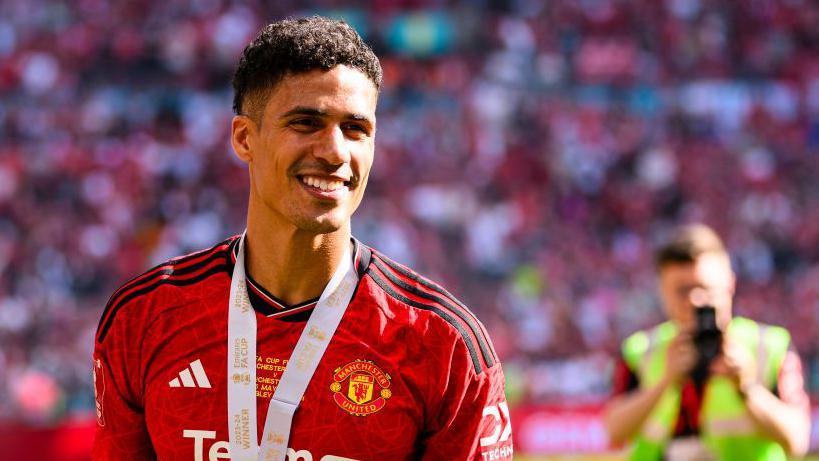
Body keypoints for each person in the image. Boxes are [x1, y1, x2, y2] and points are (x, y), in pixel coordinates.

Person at [92, 17, 512, 461]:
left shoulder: (443, 347)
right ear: (244, 138)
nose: (334, 152)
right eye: (306, 123)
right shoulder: (145, 319)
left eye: (356, 129)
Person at [603, 224, 810, 460]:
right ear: (662, 291)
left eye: (705, 288)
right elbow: (613, 431)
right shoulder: (640, 351)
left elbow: (797, 440)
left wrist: (747, 388)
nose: (695, 300)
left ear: (730, 284)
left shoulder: (768, 347)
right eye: (683, 291)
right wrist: (666, 382)